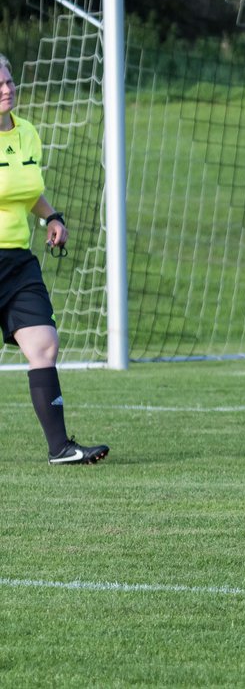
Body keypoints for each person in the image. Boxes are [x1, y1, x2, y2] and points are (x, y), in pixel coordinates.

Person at [0, 53, 108, 465]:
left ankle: (61, 449)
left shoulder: (27, 133)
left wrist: (52, 216)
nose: (7, 89)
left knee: (44, 345)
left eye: (9, 81)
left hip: (17, 263)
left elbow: (27, 191)